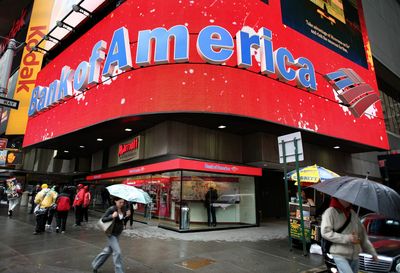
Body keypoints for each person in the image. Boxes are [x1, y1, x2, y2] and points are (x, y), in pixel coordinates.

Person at [321, 197, 378, 273]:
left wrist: (372, 252)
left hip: (354, 255)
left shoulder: (353, 213)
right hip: (339, 253)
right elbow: (325, 232)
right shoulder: (330, 212)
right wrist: (347, 238)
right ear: (339, 198)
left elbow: (363, 236)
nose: (349, 200)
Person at [92, 197, 131, 273]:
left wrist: (127, 216)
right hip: (111, 233)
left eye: (123, 202)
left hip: (118, 233)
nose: (122, 204)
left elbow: (122, 220)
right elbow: (103, 219)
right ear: (115, 201)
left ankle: (95, 265)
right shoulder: (112, 209)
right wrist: (112, 216)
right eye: (120, 202)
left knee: (108, 250)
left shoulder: (123, 208)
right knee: (117, 252)